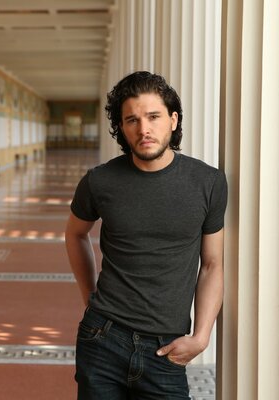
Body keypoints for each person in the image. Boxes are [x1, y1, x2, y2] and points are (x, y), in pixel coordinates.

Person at [65, 71, 227, 399]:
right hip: (103, 339)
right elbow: (75, 235)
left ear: (173, 119)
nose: (144, 129)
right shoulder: (100, 181)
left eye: (153, 116)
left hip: (165, 348)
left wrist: (201, 336)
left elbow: (212, 265)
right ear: (122, 129)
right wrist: (90, 297)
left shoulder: (208, 183)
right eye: (132, 120)